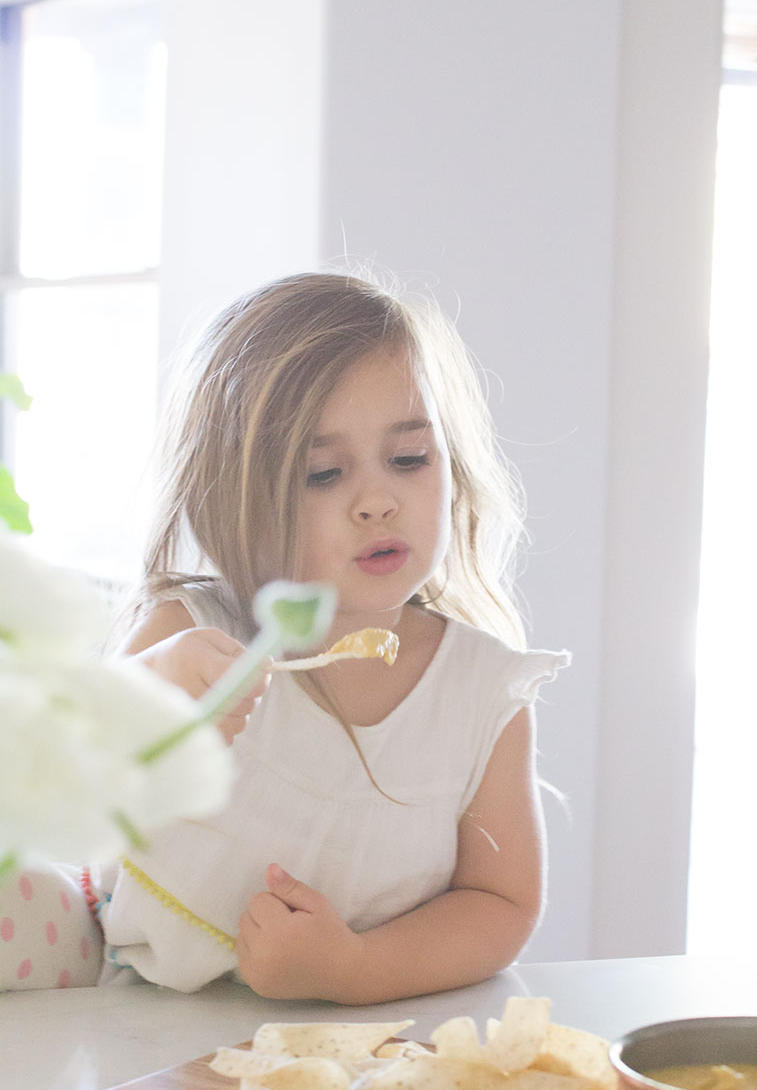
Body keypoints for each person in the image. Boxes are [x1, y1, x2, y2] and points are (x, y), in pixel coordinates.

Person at [97, 270, 568, 1001]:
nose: (377, 501)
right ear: (233, 497)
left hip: (360, 1055)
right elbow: (69, 794)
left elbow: (501, 905)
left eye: (409, 459)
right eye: (323, 474)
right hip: (123, 1032)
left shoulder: (483, 693)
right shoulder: (189, 635)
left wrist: (352, 968)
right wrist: (142, 702)